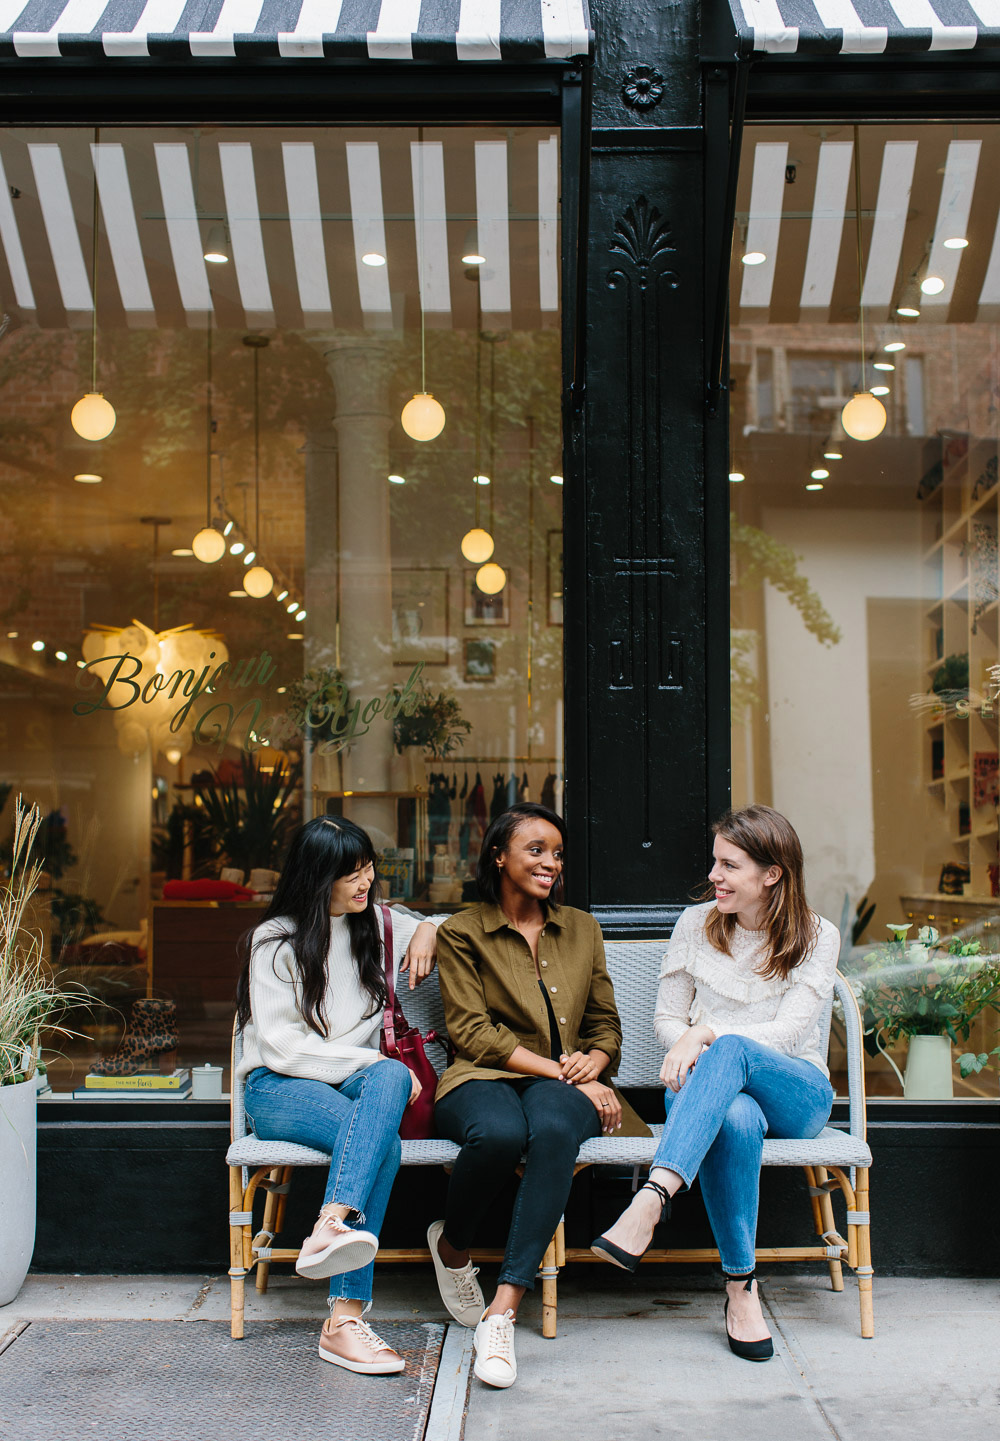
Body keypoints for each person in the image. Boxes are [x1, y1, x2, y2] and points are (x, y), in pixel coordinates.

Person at [591, 804, 839, 1362]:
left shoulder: (819, 935)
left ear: (771, 874)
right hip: (709, 1094)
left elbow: (791, 1030)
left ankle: (650, 1199)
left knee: (730, 1052)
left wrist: (701, 1033)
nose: (713, 877)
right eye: (714, 863)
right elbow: (665, 1019)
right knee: (735, 1116)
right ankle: (740, 1287)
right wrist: (685, 1035)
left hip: (795, 1092)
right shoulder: (694, 925)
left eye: (729, 866)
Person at [428, 802, 649, 1390]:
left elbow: (606, 1025)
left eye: (556, 852)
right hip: (483, 1075)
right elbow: (471, 1031)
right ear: (498, 855)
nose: (550, 862)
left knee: (551, 1131)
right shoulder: (462, 932)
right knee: (499, 1134)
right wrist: (563, 1069)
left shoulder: (583, 928)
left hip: (567, 1084)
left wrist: (595, 1061)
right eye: (535, 850)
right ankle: (452, 1246)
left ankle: (501, 1311)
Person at [235, 815, 443, 1375]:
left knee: (392, 1078)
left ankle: (330, 1224)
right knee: (385, 1141)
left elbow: (441, 921)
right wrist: (372, 1058)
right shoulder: (273, 942)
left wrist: (426, 929)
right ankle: (344, 1320)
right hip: (279, 1085)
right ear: (314, 877)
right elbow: (282, 1048)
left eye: (368, 869)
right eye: (350, 874)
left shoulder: (374, 922)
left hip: (352, 1080)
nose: (365, 883)